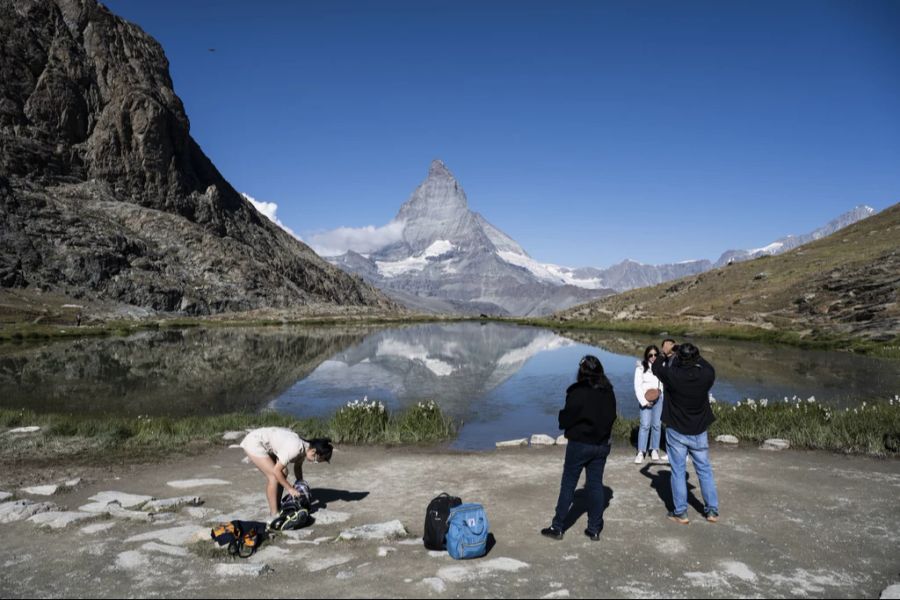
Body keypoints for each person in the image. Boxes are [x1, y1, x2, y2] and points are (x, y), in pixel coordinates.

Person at [541, 355, 617, 541]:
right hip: (601, 445)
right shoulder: (608, 391)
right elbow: (612, 417)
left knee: (568, 484)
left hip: (580, 444)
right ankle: (594, 529)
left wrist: (566, 422)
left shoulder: (577, 391)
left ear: (581, 371)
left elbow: (566, 419)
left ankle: (557, 527)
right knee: (595, 485)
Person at [651, 342, 719, 524]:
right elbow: (707, 365)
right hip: (699, 429)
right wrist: (691, 352)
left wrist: (665, 354)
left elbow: (656, 367)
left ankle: (680, 512)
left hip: (677, 430)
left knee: (678, 471)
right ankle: (712, 511)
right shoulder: (706, 375)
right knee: (704, 470)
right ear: (696, 357)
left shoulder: (672, 375)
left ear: (678, 357)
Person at [240, 427, 333, 517]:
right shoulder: (296, 448)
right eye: (315, 460)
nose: (314, 462)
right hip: (255, 442)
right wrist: (290, 489)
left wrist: (300, 484)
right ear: (313, 451)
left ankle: (277, 506)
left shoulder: (305, 448)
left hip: (268, 445)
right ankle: (273, 514)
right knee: (273, 476)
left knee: (284, 472)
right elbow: (276, 471)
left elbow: (297, 467)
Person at [633, 345, 667, 464]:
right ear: (646, 355)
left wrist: (661, 393)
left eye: (655, 355)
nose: (653, 357)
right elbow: (637, 386)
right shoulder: (641, 367)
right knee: (645, 425)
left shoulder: (661, 366)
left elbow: (664, 382)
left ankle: (654, 449)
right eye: (650, 355)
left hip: (659, 398)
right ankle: (641, 451)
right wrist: (644, 401)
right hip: (645, 399)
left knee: (657, 425)